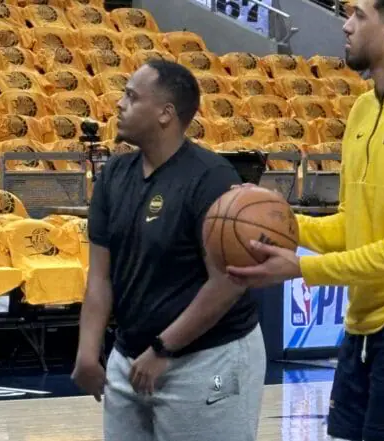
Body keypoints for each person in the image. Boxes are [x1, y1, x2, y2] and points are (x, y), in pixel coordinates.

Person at [227, 0, 384, 439]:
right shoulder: (362, 109)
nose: (345, 25)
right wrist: (273, 219)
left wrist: (301, 268)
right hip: (363, 326)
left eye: (359, 15)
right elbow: (351, 225)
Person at [71, 59, 266, 441]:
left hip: (208, 357)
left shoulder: (210, 178)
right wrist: (88, 350)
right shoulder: (113, 174)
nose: (119, 105)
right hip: (130, 358)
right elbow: (100, 276)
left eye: (131, 96)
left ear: (165, 113)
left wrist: (163, 349)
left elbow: (227, 283)